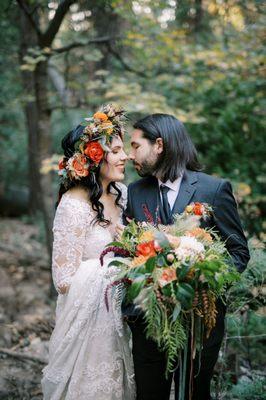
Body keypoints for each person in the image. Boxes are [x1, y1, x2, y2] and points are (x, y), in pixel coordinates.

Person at [123, 113, 250, 400]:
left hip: (199, 323)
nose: (132, 155)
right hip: (147, 322)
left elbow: (239, 252)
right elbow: (129, 253)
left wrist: (203, 280)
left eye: (135, 146)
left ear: (159, 145)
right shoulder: (135, 192)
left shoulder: (213, 189)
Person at [41, 104, 135, 400]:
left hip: (118, 321)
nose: (126, 157)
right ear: (95, 157)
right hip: (85, 330)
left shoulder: (123, 196)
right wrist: (116, 264)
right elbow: (64, 279)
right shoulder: (73, 205)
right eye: (117, 150)